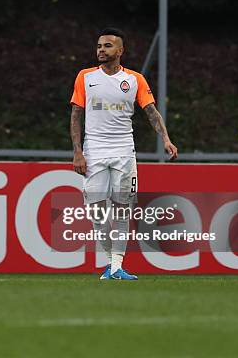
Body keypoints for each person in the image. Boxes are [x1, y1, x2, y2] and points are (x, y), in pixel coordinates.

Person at [69, 27, 178, 280]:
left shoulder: (135, 79)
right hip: (93, 149)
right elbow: (76, 115)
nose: (101, 50)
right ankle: (111, 264)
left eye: (107, 46)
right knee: (95, 210)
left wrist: (166, 139)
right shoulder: (85, 77)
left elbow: (151, 111)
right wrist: (77, 152)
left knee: (121, 210)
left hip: (123, 150)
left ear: (120, 51)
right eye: (99, 46)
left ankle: (116, 267)